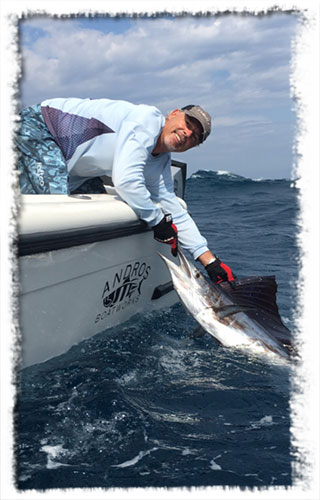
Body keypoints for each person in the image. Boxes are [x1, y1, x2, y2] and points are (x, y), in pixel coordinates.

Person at [15, 97, 235, 285]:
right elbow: (126, 180)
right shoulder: (147, 119)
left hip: (74, 167)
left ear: (192, 147)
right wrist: (157, 221)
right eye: (188, 123)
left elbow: (172, 207)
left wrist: (209, 261)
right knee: (58, 211)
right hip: (41, 127)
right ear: (173, 114)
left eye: (195, 136)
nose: (187, 133)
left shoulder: (159, 163)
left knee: (95, 209)